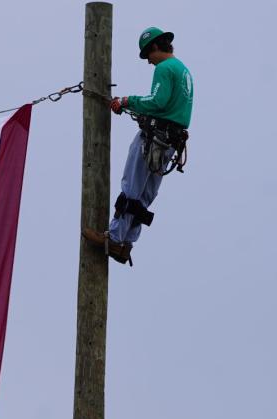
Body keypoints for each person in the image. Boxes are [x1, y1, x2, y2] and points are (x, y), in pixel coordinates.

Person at [83, 27, 194, 267]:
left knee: (132, 187)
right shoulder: (183, 69)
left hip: (155, 137)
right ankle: (126, 243)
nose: (149, 63)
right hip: (170, 142)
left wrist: (126, 101)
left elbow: (157, 101)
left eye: (148, 56)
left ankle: (113, 238)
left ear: (154, 47)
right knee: (145, 194)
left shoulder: (165, 69)